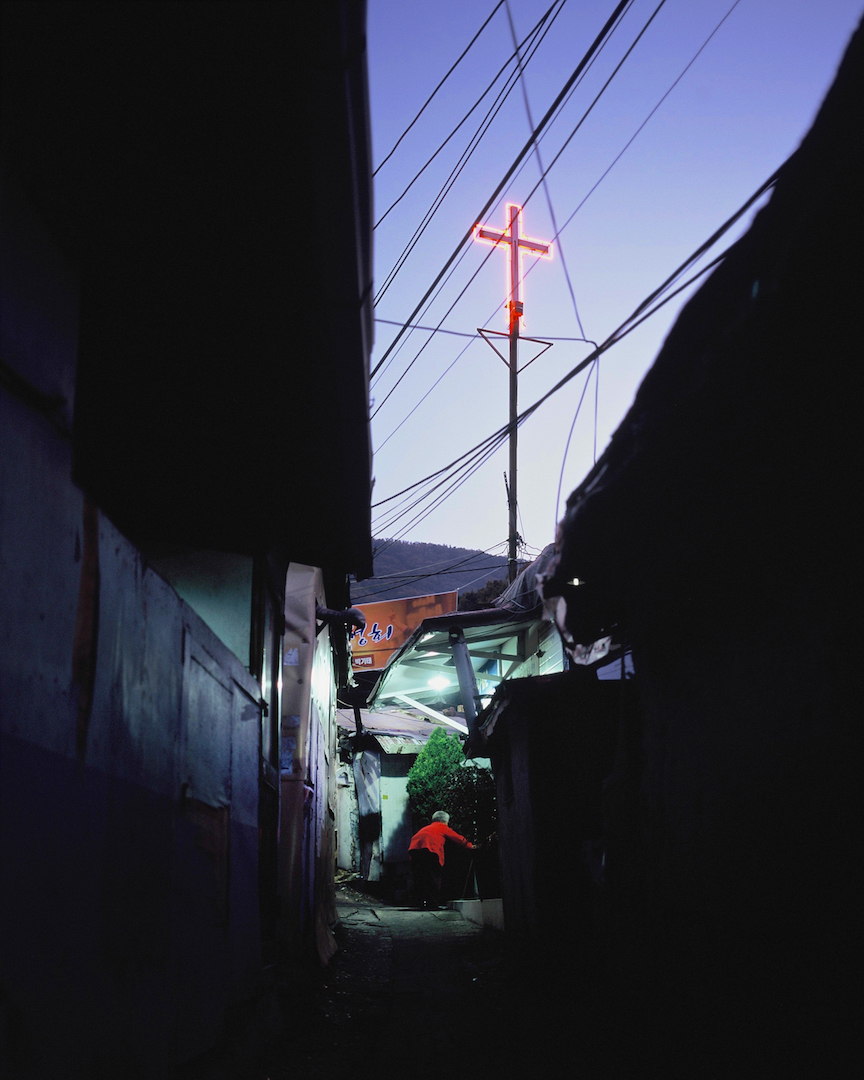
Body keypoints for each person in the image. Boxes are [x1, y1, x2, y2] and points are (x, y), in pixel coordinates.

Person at [408, 810, 474, 910]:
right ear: (444, 821)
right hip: (430, 852)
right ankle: (433, 904)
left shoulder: (424, 829)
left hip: (415, 853)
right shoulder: (442, 827)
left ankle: (418, 903)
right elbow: (457, 838)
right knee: (434, 878)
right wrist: (470, 846)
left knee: (420, 878)